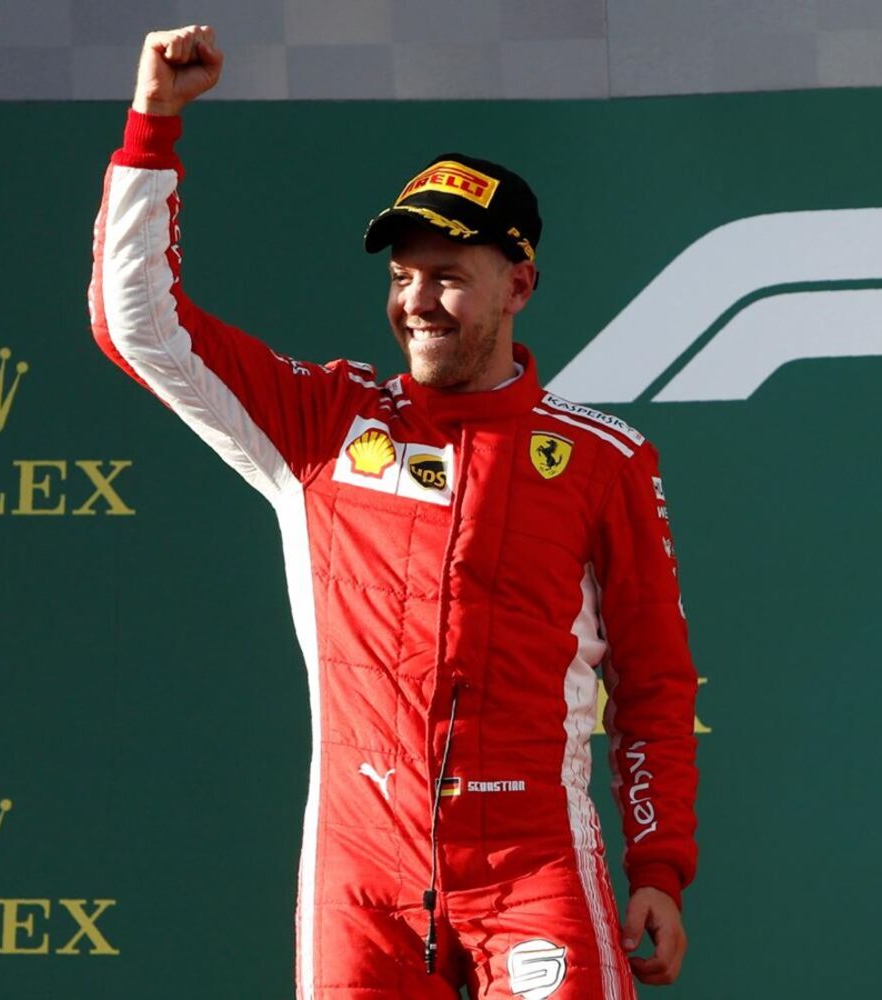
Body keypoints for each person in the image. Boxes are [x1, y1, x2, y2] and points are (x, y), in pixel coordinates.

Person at [88, 25, 697, 1000]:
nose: (418, 300)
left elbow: (655, 683)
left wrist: (658, 866)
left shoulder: (602, 458)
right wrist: (153, 126)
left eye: (449, 274)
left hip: (534, 865)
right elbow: (140, 326)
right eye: (402, 274)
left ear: (520, 283)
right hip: (359, 875)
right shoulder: (322, 424)